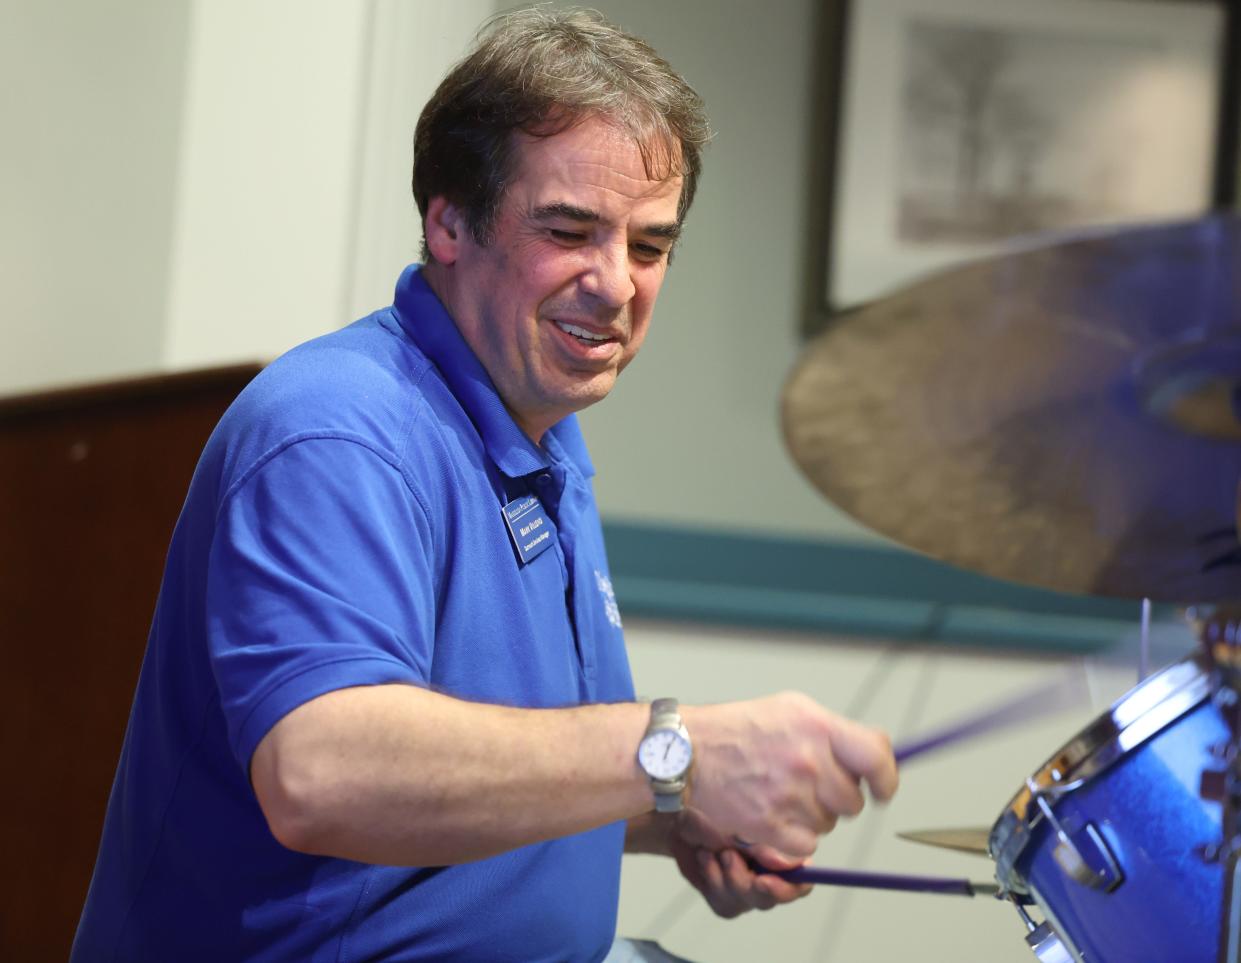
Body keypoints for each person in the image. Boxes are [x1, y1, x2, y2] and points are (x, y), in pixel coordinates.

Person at [72, 7, 897, 961]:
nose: (615, 284)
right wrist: (677, 756)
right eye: (569, 230)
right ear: (448, 221)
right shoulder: (337, 428)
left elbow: (489, 768)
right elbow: (322, 770)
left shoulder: (539, 430)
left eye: (648, 246)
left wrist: (674, 815)